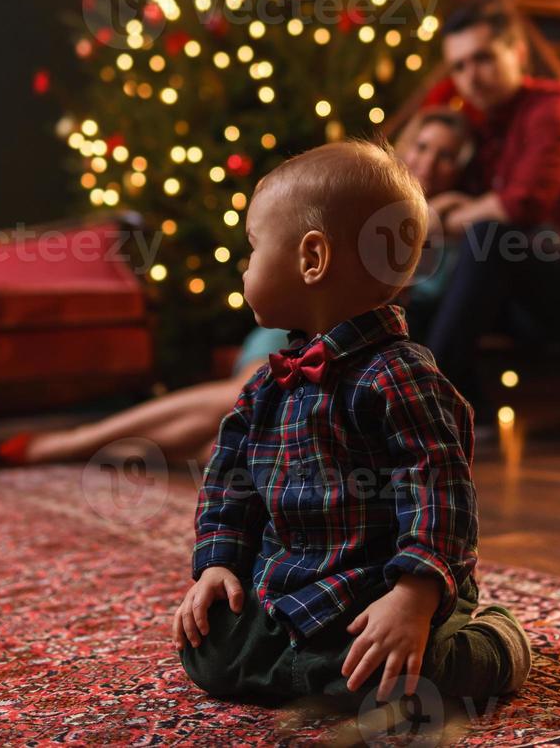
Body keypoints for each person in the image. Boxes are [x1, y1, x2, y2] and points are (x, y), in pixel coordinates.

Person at [173, 136, 531, 712]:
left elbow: (439, 488)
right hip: (294, 587)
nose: (245, 267)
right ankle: (308, 664)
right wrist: (217, 564)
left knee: (407, 679)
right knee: (208, 649)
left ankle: (493, 636)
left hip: (379, 588)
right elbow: (229, 483)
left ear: (311, 259)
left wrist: (414, 598)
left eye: (253, 249)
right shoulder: (266, 386)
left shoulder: (400, 374)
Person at [0, 111, 476, 468]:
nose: (432, 162)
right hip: (303, 329)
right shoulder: (344, 198)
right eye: (424, 146)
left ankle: (106, 446)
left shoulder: (446, 242)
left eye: (447, 156)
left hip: (357, 347)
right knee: (245, 396)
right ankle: (81, 442)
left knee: (238, 432)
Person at [407, 2, 560, 423]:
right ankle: (461, 416)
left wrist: (438, 218)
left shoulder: (556, 110)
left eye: (483, 58)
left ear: (517, 53)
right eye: (458, 66)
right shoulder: (488, 128)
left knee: (492, 237)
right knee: (419, 301)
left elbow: (523, 204)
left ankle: (424, 407)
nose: (470, 77)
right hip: (527, 308)